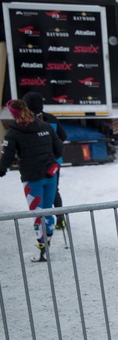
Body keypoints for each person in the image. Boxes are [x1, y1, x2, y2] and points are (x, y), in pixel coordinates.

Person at [0, 99, 63, 261]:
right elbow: (59, 148)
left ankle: (43, 250)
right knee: (48, 212)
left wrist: (1, 170)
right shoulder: (45, 125)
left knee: (37, 214)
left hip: (32, 178)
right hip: (51, 174)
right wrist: (49, 161)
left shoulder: (12, 132)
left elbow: (6, 157)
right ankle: (46, 245)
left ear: (12, 114)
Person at [23, 92, 68, 230]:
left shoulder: (26, 122)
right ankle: (60, 218)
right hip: (54, 162)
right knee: (53, 189)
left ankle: (42, 220)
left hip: (36, 162)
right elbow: (63, 136)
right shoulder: (52, 119)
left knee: (38, 190)